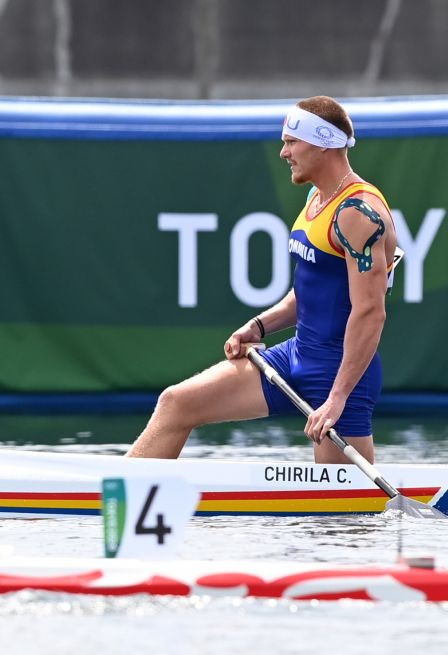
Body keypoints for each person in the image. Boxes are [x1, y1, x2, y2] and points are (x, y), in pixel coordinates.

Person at [127, 96, 398, 464]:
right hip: (296, 356)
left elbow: (370, 313)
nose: (284, 152)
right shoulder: (318, 198)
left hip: (339, 374)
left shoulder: (358, 213)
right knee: (176, 404)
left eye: (291, 141)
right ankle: (117, 500)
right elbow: (310, 292)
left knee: (340, 520)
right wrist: (258, 325)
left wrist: (337, 398)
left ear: (321, 143)